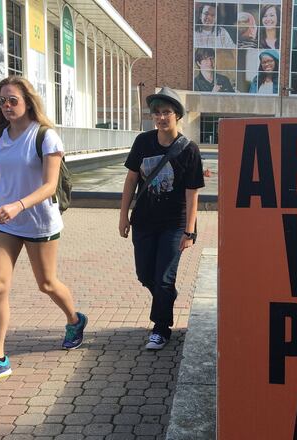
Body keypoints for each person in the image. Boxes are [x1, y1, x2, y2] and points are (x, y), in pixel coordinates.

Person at [0, 76, 86, 385]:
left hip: (39, 221)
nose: (7, 106)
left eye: (13, 100)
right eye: (2, 101)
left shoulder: (45, 137)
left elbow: (49, 186)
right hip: (4, 223)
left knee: (46, 283)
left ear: (28, 102)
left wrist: (19, 205)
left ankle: (74, 320)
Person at [119, 87, 205, 350]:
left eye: (166, 112)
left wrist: (189, 231)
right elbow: (131, 179)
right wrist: (123, 216)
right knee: (146, 274)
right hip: (144, 221)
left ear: (177, 115)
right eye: (156, 113)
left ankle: (161, 327)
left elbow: (192, 194)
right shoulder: (143, 142)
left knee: (164, 277)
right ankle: (166, 298)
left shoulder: (189, 149)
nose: (161, 117)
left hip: (174, 224)